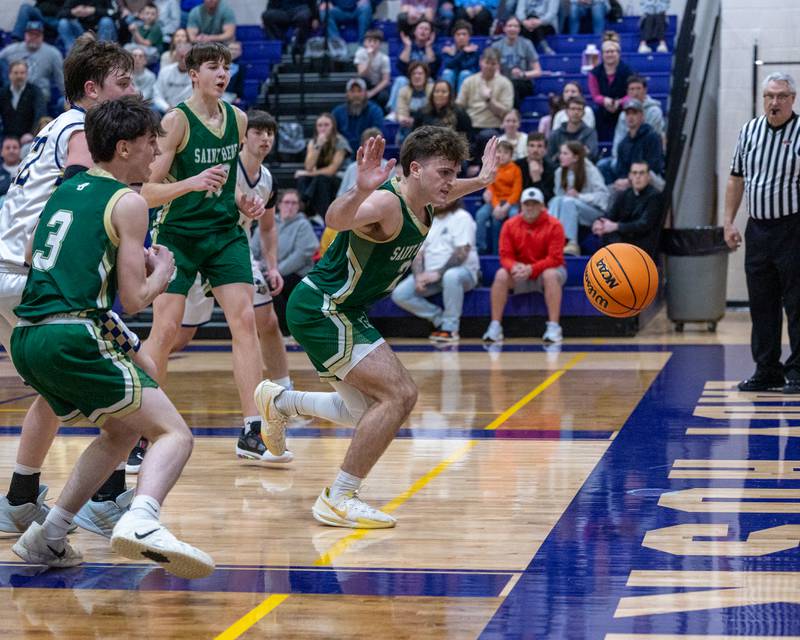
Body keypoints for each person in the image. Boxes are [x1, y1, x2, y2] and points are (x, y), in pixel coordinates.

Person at [9, 95, 214, 579]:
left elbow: (31, 245)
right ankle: (142, 520)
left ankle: (48, 536)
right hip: (73, 331)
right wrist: (162, 269)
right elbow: (136, 297)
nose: (155, 155)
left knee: (121, 429)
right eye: (149, 144)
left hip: (27, 335)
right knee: (174, 433)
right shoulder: (130, 201)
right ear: (123, 148)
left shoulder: (67, 188)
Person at [253, 130, 497, 528]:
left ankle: (281, 402)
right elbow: (335, 219)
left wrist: (481, 181)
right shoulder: (386, 201)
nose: (450, 183)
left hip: (343, 308)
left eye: (454, 173)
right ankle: (339, 497)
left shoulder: (427, 198)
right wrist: (358, 190)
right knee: (400, 395)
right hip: (325, 307)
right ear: (414, 169)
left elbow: (450, 191)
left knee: (366, 413)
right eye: (444, 173)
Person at [0, 37, 140, 539]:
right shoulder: (82, 127)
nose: (132, 91)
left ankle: (18, 501)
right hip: (26, 272)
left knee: (52, 389)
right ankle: (106, 497)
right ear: (91, 89)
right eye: (122, 83)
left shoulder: (54, 127)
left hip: (8, 271)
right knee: (125, 361)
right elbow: (84, 189)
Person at [139, 42, 277, 464]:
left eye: (226, 67)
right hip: (178, 234)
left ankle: (253, 430)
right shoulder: (175, 122)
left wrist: (242, 201)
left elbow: (228, 181)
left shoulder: (237, 119)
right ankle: (138, 431)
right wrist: (190, 183)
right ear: (193, 74)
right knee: (165, 329)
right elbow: (145, 192)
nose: (222, 74)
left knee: (245, 320)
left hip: (223, 233)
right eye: (213, 67)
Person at [165, 111, 295, 467]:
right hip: (193, 240)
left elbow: (267, 227)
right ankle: (136, 407)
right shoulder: (222, 157)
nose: (265, 139)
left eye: (271, 132)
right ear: (243, 136)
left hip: (231, 248)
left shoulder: (267, 179)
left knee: (259, 320)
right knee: (175, 337)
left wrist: (272, 265)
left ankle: (277, 401)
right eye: (259, 132)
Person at [724, 72, 800, 394]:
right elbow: (736, 179)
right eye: (769, 96)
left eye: (781, 96)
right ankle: (766, 369)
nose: (774, 102)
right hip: (757, 228)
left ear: (792, 99)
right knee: (762, 304)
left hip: (793, 227)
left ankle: (797, 372)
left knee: (797, 304)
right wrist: (728, 222)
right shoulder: (749, 131)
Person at [482, 186, 566, 343]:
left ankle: (554, 327)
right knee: (501, 274)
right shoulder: (509, 225)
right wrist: (514, 267)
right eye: (527, 204)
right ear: (521, 206)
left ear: (542, 206)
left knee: (551, 275)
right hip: (520, 271)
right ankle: (495, 326)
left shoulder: (555, 225)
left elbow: (555, 258)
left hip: (545, 271)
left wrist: (532, 269)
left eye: (535, 204)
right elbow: (505, 256)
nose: (530, 207)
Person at [391, 198, 479, 342]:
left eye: (448, 196)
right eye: (440, 196)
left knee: (450, 276)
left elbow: (462, 251)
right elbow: (418, 253)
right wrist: (418, 276)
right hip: (431, 276)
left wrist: (438, 273)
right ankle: (439, 319)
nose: (443, 199)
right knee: (400, 294)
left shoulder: (462, 217)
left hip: (463, 272)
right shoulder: (428, 220)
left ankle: (450, 329)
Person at [272, 189, 320, 334]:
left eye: (294, 203)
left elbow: (302, 254)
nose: (290, 206)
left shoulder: (303, 224)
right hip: (273, 272)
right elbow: (255, 250)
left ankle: (286, 332)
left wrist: (276, 272)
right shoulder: (270, 223)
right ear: (279, 204)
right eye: (287, 202)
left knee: (272, 288)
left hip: (298, 275)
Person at [548, 140, 608, 255]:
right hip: (570, 210)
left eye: (565, 154)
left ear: (575, 157)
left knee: (569, 201)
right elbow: (559, 197)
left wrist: (579, 196)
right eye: (561, 153)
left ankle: (572, 243)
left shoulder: (590, 170)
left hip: (593, 212)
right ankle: (550, 237)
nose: (561, 156)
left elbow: (603, 197)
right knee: (556, 200)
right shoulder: (559, 172)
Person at [592, 160, 662, 257]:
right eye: (634, 173)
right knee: (607, 235)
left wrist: (616, 226)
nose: (638, 176)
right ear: (630, 176)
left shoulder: (655, 196)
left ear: (648, 176)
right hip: (625, 238)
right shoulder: (624, 194)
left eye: (642, 173)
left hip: (643, 242)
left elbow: (644, 225)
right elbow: (610, 214)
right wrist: (599, 222)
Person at [457, 48, 514, 159]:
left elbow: (506, 113)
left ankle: (479, 167)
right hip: (471, 126)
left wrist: (489, 100)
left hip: (493, 127)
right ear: (480, 62)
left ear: (498, 65)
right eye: (487, 63)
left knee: (486, 136)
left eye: (493, 64)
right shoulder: (469, 81)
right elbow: (459, 105)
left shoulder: (505, 83)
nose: (489, 67)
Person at [295, 112, 351, 218]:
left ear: (333, 127)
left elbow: (332, 170)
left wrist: (309, 173)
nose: (323, 128)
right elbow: (309, 167)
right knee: (303, 179)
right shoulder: (313, 142)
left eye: (326, 125)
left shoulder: (341, 142)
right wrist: (318, 146)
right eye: (320, 125)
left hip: (340, 178)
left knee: (320, 179)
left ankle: (323, 215)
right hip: (319, 178)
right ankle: (306, 213)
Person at [602, 98, 664, 191]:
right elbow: (621, 171)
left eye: (634, 113)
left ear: (642, 116)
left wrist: (631, 180)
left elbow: (655, 167)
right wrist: (624, 181)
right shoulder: (623, 144)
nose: (630, 117)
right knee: (609, 192)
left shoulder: (652, 137)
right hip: (629, 182)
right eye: (628, 114)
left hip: (650, 181)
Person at [475, 139, 523, 254]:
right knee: (481, 215)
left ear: (511, 155)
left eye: (506, 152)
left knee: (514, 216)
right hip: (494, 202)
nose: (502, 155)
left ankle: (516, 247)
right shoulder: (492, 169)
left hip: (510, 203)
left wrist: (506, 206)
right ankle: (481, 247)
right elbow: (491, 190)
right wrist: (496, 206)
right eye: (499, 152)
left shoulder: (516, 169)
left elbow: (517, 191)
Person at [0, 21, 64, 106]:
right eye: (30, 34)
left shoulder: (53, 53)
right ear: (25, 35)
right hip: (14, 93)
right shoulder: (11, 51)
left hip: (40, 95)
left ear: (42, 36)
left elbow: (61, 79)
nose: (33, 37)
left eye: (37, 35)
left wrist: (69, 98)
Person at [388, 19, 440, 117]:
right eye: (421, 28)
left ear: (431, 34)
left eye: (426, 29)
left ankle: (430, 113)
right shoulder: (407, 45)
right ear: (415, 31)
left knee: (432, 83)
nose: (423, 31)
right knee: (400, 80)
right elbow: (401, 67)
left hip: (426, 80)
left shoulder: (435, 48)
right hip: (409, 79)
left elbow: (433, 69)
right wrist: (408, 46)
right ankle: (394, 112)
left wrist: (428, 46)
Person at [491, 15, 542, 110]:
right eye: (510, 26)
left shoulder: (527, 44)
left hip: (524, 82)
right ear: (504, 28)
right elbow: (495, 72)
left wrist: (523, 74)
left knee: (513, 86)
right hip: (503, 82)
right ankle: (513, 116)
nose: (512, 29)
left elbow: (538, 71)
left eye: (515, 26)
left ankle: (512, 115)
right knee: (508, 86)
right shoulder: (496, 46)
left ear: (519, 29)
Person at [588, 38, 633, 141]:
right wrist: (605, 101)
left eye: (612, 51)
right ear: (602, 55)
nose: (609, 54)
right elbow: (595, 95)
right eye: (606, 52)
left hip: (623, 107)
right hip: (603, 108)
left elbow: (631, 93)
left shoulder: (628, 71)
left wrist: (620, 102)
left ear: (618, 54)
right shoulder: (594, 73)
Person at [610, 75, 664, 159]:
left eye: (638, 88)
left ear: (645, 90)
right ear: (627, 92)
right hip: (625, 156)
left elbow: (651, 140)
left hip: (647, 156)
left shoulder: (654, 111)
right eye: (632, 89)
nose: (635, 93)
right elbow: (618, 139)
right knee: (603, 165)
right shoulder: (623, 114)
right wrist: (617, 157)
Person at [331, 78, 385, 153]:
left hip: (368, 153)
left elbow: (377, 135)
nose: (356, 95)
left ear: (366, 93)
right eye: (352, 91)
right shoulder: (337, 112)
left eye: (359, 91)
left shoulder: (375, 111)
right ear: (347, 93)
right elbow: (333, 135)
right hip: (343, 155)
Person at [0, 61, 45, 140]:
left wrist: (32, 134)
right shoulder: (2, 93)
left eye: (22, 73)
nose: (19, 76)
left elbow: (40, 115)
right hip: (6, 136)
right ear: (9, 75)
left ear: (27, 74)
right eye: (16, 73)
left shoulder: (35, 91)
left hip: (28, 137)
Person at [547, 95, 599, 163]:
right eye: (573, 109)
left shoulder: (590, 133)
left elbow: (592, 155)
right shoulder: (555, 134)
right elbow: (550, 158)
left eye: (579, 109)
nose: (576, 112)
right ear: (566, 111)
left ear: (583, 113)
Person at [396, 61, 434, 143]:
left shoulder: (432, 89)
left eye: (420, 73)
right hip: (410, 126)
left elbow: (433, 111)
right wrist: (403, 119)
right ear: (410, 76)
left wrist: (416, 120)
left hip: (429, 123)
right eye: (414, 74)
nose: (417, 76)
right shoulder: (403, 91)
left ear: (426, 76)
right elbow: (401, 112)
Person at [439, 20, 480, 95]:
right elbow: (448, 65)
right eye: (458, 34)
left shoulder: (474, 49)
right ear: (454, 37)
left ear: (469, 37)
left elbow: (466, 65)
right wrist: (464, 52)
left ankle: (460, 104)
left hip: (468, 78)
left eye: (464, 34)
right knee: (448, 73)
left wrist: (457, 54)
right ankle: (448, 101)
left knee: (464, 74)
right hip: (452, 78)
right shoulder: (448, 49)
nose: (461, 37)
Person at [353, 29, 391, 110]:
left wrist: (372, 93)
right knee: (363, 80)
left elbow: (385, 80)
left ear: (380, 44)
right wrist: (369, 60)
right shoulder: (360, 53)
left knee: (384, 96)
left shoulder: (385, 58)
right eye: (369, 41)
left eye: (375, 41)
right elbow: (362, 74)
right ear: (365, 43)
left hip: (377, 85)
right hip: (364, 84)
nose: (372, 44)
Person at [152, 43, 192, 113]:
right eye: (181, 57)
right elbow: (157, 94)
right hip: (167, 109)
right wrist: (166, 107)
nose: (184, 60)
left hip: (189, 110)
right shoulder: (165, 71)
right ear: (176, 56)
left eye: (187, 57)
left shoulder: (197, 74)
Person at [516, 131, 555, 201]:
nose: (535, 150)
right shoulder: (516, 165)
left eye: (539, 146)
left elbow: (548, 199)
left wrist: (537, 179)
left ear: (545, 149)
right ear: (527, 147)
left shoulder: (552, 168)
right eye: (532, 146)